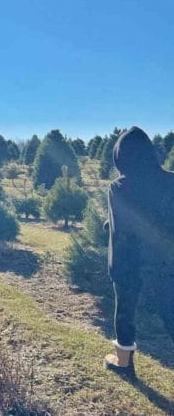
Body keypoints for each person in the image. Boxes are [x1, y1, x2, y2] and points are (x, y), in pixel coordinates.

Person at [104, 127, 174, 378]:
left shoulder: (119, 187)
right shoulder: (172, 181)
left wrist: (116, 266)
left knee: (125, 314)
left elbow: (121, 227)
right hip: (166, 263)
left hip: (130, 263)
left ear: (120, 156)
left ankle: (124, 365)